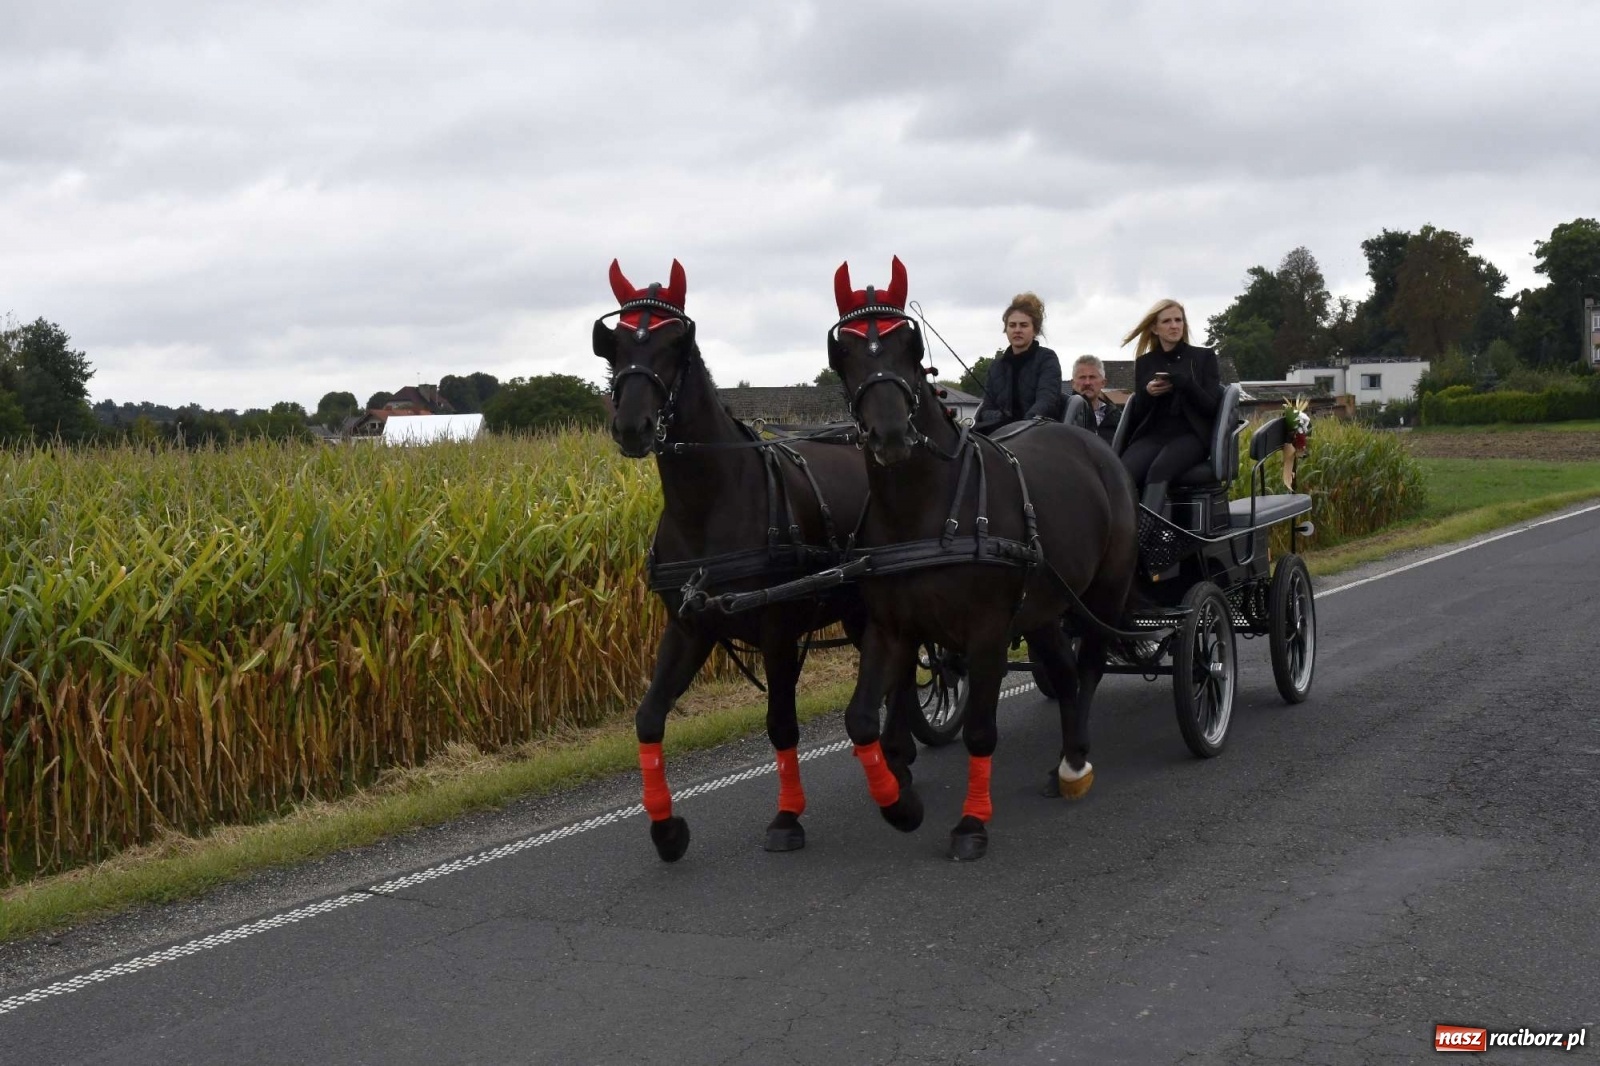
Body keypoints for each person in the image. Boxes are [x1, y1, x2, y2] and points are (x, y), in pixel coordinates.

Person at [1116, 298, 1223, 518]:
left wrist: (1187, 385)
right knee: (1123, 472)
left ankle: (1146, 531)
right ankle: (1120, 530)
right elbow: (1138, 416)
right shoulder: (1146, 363)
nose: (1174, 325)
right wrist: (1147, 394)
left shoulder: (1203, 357)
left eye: (1178, 320)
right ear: (1154, 328)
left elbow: (1212, 407)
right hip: (1154, 434)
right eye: (1167, 321)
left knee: (1159, 469)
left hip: (1191, 434)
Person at [973, 292, 1063, 433]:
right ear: (1006, 329)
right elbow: (986, 409)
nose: (1017, 330)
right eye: (1012, 325)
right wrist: (1002, 419)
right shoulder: (996, 366)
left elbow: (1047, 401)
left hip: (1037, 432)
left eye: (1024, 325)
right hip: (1000, 433)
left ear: (1035, 330)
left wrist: (1023, 424)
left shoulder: (1047, 359)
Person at [1069, 354, 1120, 445]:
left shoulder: (1117, 417)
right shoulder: (1063, 413)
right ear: (1073, 383)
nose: (1087, 382)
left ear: (1103, 383)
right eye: (1082, 377)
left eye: (1092, 377)